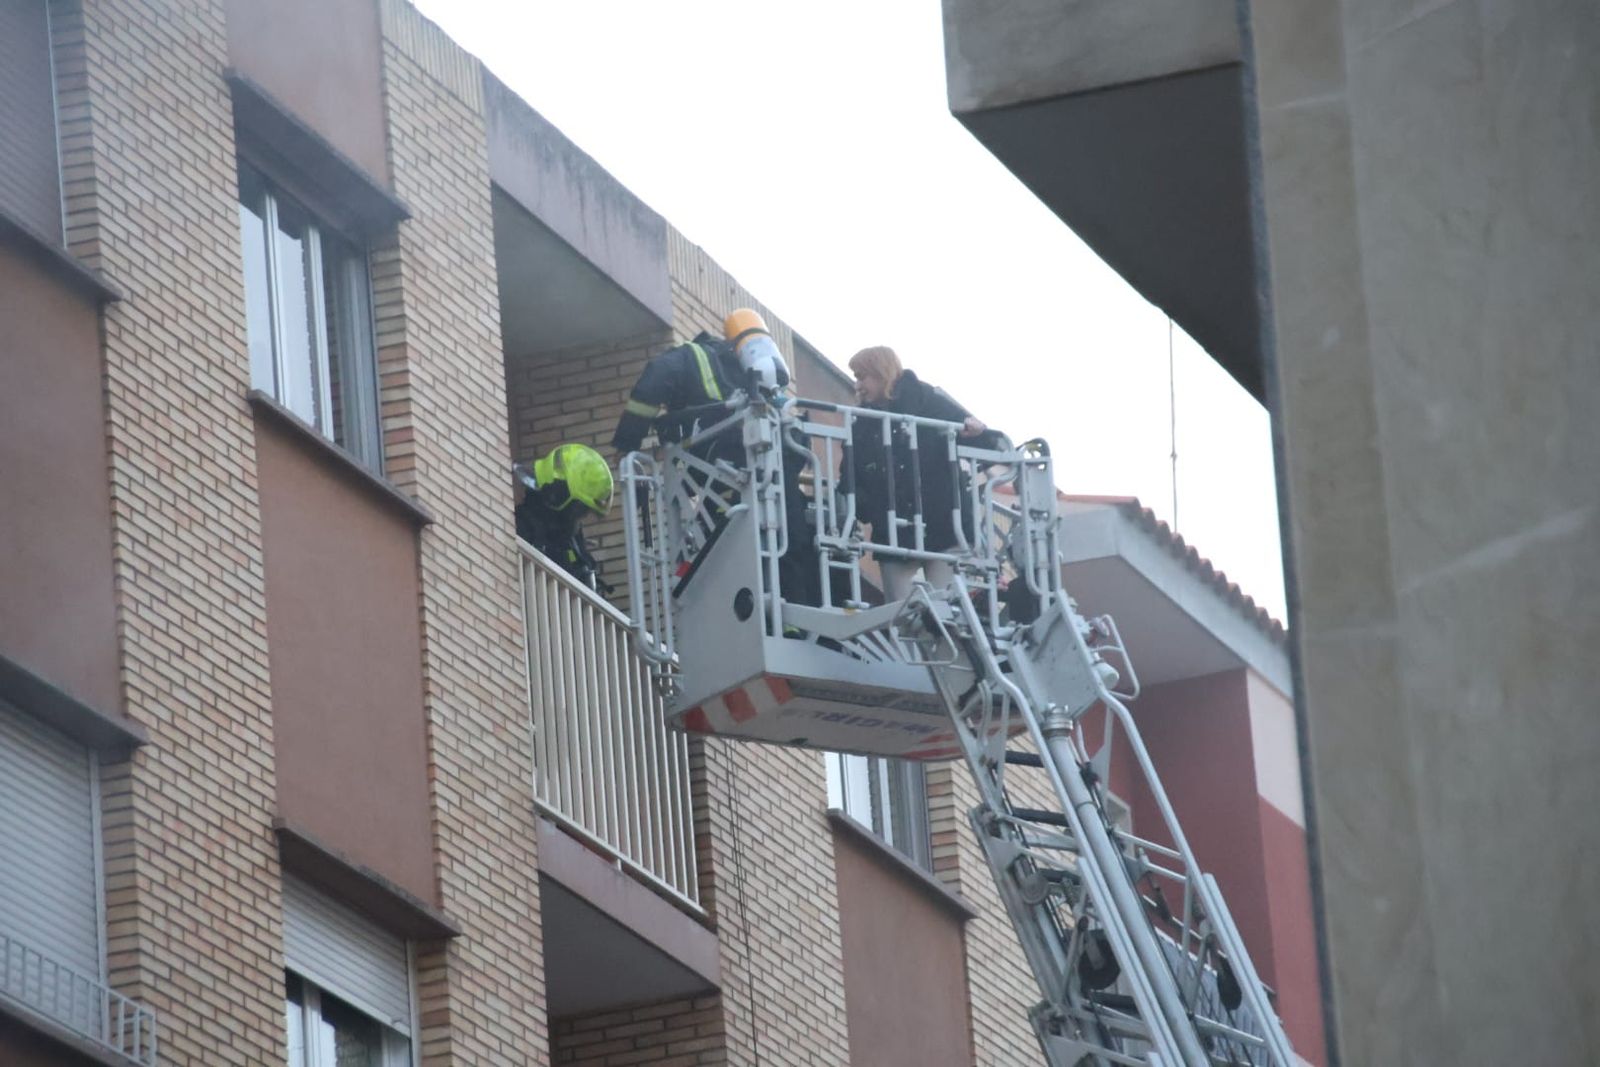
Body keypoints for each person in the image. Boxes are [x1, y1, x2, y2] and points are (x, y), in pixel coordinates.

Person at [613, 330, 821, 608]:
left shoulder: (689, 355)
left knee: (718, 547)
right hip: (773, 473)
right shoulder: (754, 370)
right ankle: (791, 616)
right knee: (786, 539)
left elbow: (653, 382)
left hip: (722, 470)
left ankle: (740, 607)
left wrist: (627, 444)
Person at [847, 345, 997, 600]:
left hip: (944, 526)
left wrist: (978, 431)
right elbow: (850, 476)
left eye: (863, 377)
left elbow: (979, 439)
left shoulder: (926, 399)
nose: (858, 385)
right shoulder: (861, 421)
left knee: (947, 616)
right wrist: (864, 510)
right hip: (893, 534)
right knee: (902, 620)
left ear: (881, 372)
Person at [515, 443, 614, 592]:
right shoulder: (523, 528)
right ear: (558, 495)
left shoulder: (573, 542)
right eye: (580, 509)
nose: (582, 516)